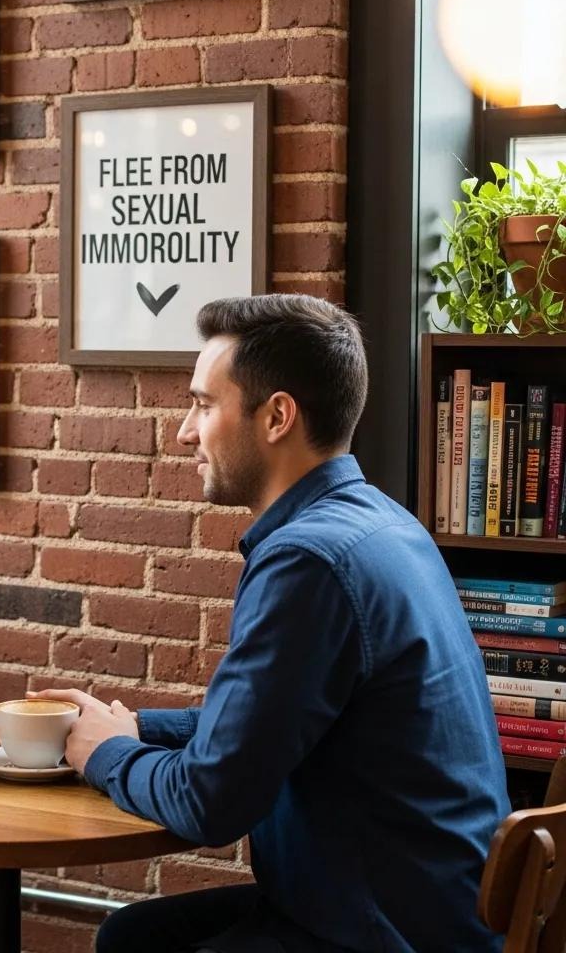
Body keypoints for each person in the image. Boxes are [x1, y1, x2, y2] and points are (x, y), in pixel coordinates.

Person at [36, 294, 509, 952]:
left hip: (384, 930)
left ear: (277, 416)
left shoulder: (307, 561)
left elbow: (210, 803)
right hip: (432, 907)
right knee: (130, 936)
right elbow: (277, 723)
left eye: (204, 404)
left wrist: (103, 753)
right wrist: (136, 727)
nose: (184, 431)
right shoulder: (384, 523)